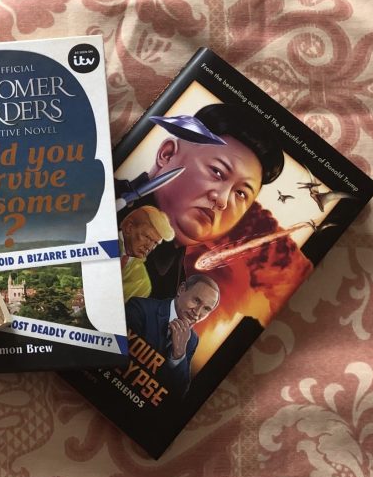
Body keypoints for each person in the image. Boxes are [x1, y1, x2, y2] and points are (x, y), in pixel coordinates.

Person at [116, 103, 283, 300]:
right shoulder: (105, 204)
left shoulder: (178, 289)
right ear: (166, 154)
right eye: (217, 172)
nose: (222, 200)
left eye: (240, 193)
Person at [125, 274, 220, 397]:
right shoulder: (140, 308)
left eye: (206, 309)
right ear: (181, 290)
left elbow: (179, 393)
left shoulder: (192, 340)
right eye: (196, 300)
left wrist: (179, 355)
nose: (197, 312)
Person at [119, 205, 173, 302]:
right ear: (129, 227)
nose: (149, 247)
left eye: (155, 243)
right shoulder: (101, 239)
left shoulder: (142, 283)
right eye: (147, 237)